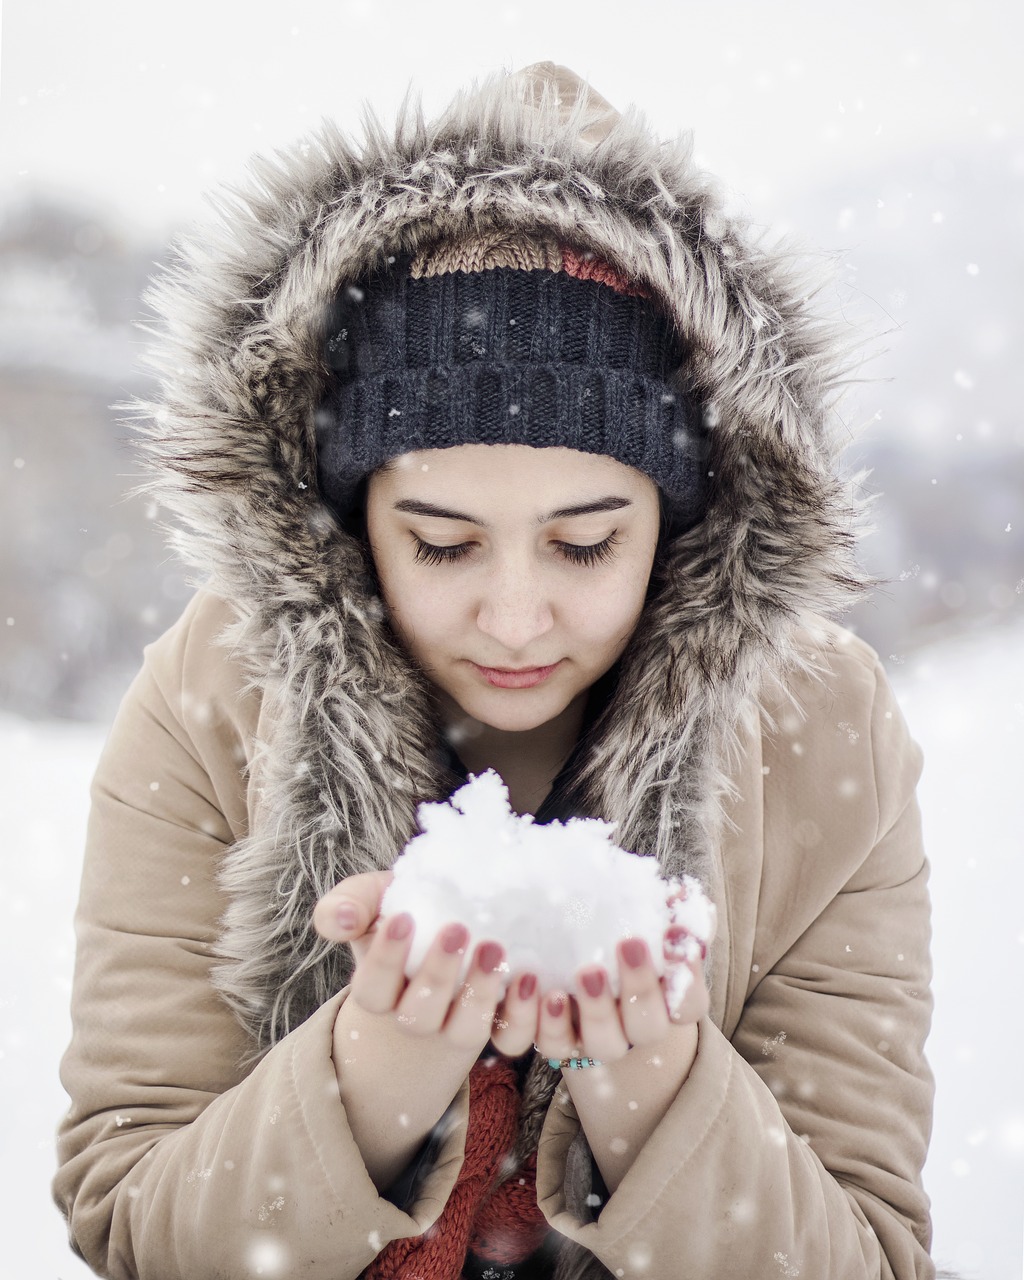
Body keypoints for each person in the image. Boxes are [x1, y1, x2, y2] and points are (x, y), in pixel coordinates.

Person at [54, 63, 935, 1280]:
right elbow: (133, 1223)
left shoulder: (821, 732)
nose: (515, 616)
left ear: (679, 522)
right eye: (442, 542)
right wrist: (372, 1070)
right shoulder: (214, 700)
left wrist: (654, 1086)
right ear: (352, 514)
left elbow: (872, 1257)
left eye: (584, 542)